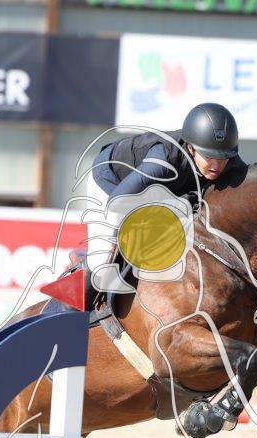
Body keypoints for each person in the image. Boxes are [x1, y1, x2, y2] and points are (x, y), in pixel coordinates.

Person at [85, 103, 248, 297]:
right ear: (191, 148)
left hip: (163, 189)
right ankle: (78, 303)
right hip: (112, 183)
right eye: (209, 156)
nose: (217, 164)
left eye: (223, 157)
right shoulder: (162, 161)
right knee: (102, 266)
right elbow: (118, 201)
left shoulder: (230, 161)